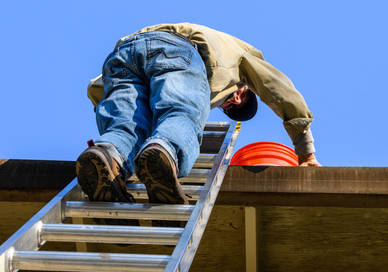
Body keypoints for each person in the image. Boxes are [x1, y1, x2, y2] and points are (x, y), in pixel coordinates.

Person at [75, 23, 320, 209]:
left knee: (123, 128)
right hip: (176, 50)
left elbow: (97, 89)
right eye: (239, 96)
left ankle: (109, 155)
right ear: (244, 88)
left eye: (226, 107)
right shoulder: (242, 55)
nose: (232, 101)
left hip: (122, 55)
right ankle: (164, 151)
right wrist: (306, 151)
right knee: (180, 113)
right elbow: (277, 88)